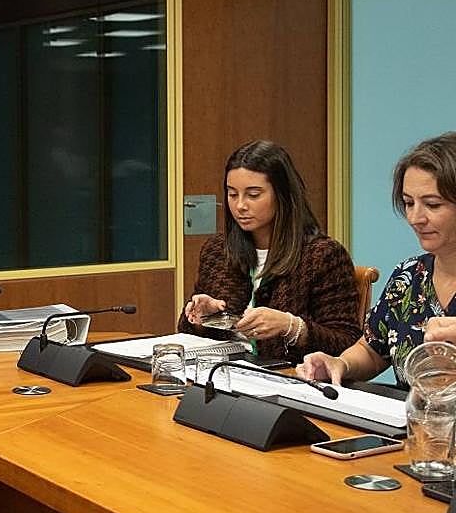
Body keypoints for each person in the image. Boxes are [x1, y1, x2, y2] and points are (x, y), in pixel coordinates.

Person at [179, 140, 361, 363]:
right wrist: (202, 317)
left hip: (292, 381)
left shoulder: (323, 255)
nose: (240, 206)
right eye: (232, 194)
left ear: (282, 195)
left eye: (253, 195)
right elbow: (186, 335)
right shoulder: (217, 250)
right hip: (224, 375)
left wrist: (293, 328)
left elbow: (348, 342)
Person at [300, 132, 456, 386]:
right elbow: (372, 350)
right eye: (408, 203)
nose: (416, 218)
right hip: (411, 421)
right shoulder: (408, 276)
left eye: (433, 205)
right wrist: (340, 363)